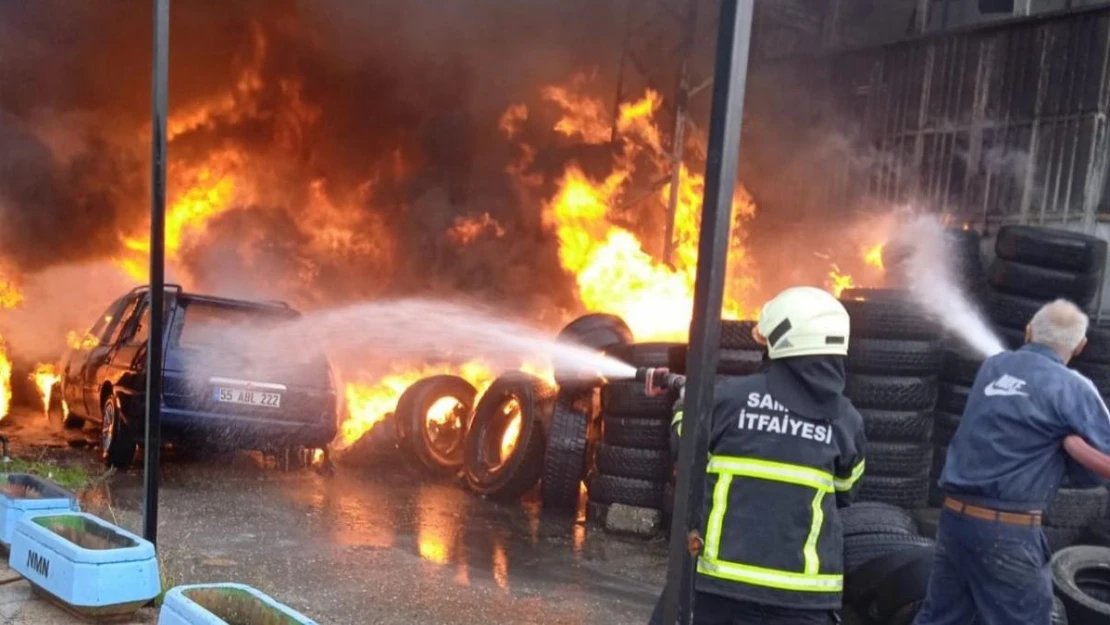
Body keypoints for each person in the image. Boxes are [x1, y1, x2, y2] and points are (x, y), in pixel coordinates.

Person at [651, 286, 867, 625]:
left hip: (721, 590)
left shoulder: (729, 399)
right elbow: (846, 490)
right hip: (803, 598)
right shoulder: (845, 419)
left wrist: (684, 402)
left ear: (781, 339)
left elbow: (685, 445)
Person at [914, 299, 1110, 625]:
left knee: (942, 618)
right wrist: (1075, 451)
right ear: (1081, 345)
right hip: (1007, 531)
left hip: (955, 522)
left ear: (1028, 331)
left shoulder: (993, 367)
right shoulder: (1072, 387)